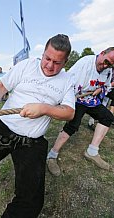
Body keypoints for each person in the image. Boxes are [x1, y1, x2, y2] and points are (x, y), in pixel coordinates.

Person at [0, 34, 75, 218]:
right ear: (42, 54)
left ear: (65, 62)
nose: (50, 66)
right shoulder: (27, 65)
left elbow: (69, 112)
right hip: (3, 127)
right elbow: (0, 87)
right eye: (47, 58)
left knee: (31, 201)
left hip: (32, 141)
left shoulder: (67, 80)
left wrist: (44, 109)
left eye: (57, 63)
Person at [47, 47, 114, 177]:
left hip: (91, 100)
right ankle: (52, 155)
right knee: (73, 125)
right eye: (106, 61)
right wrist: (64, 100)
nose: (106, 66)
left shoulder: (108, 70)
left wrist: (100, 89)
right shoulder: (84, 63)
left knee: (107, 117)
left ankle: (92, 152)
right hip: (77, 99)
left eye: (110, 64)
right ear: (102, 53)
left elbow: (106, 85)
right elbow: (67, 81)